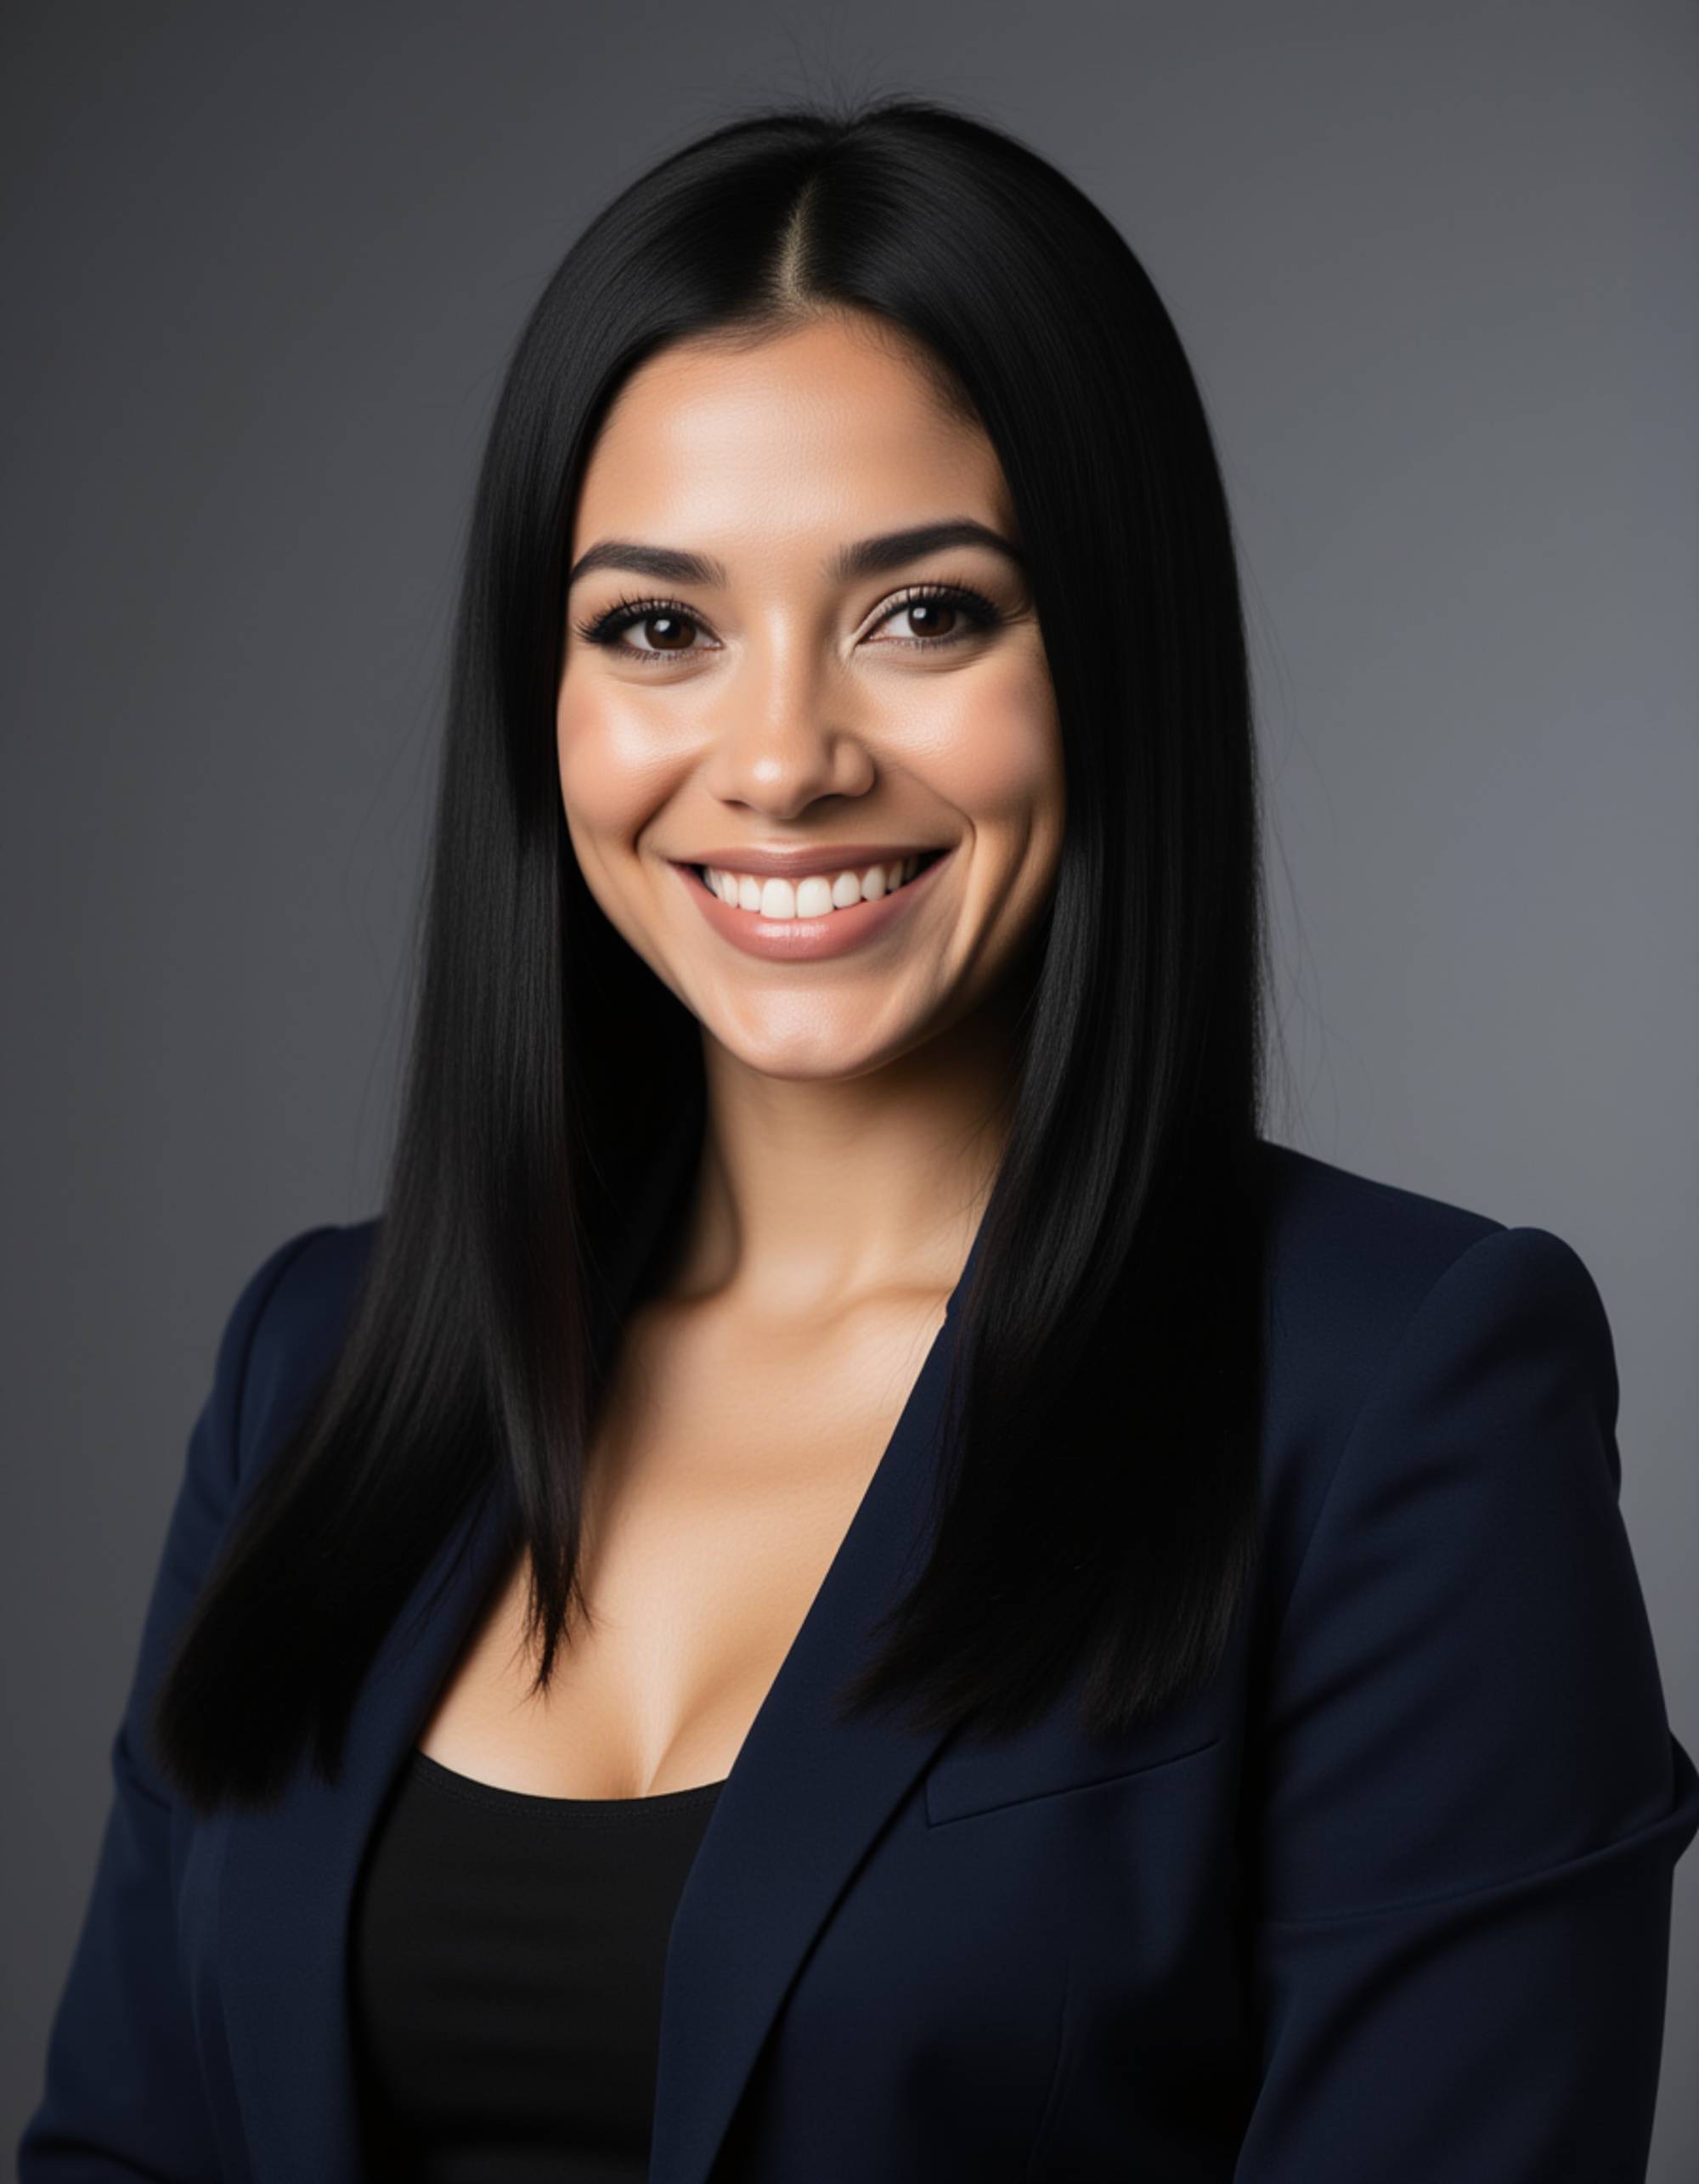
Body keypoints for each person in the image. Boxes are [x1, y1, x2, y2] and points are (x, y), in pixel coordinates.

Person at [20, 92, 1698, 2184]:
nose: (786, 757)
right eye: (658, 626)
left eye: (925, 612)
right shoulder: (320, 1362)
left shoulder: (1398, 1395)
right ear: (539, 705)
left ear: (1110, 656)